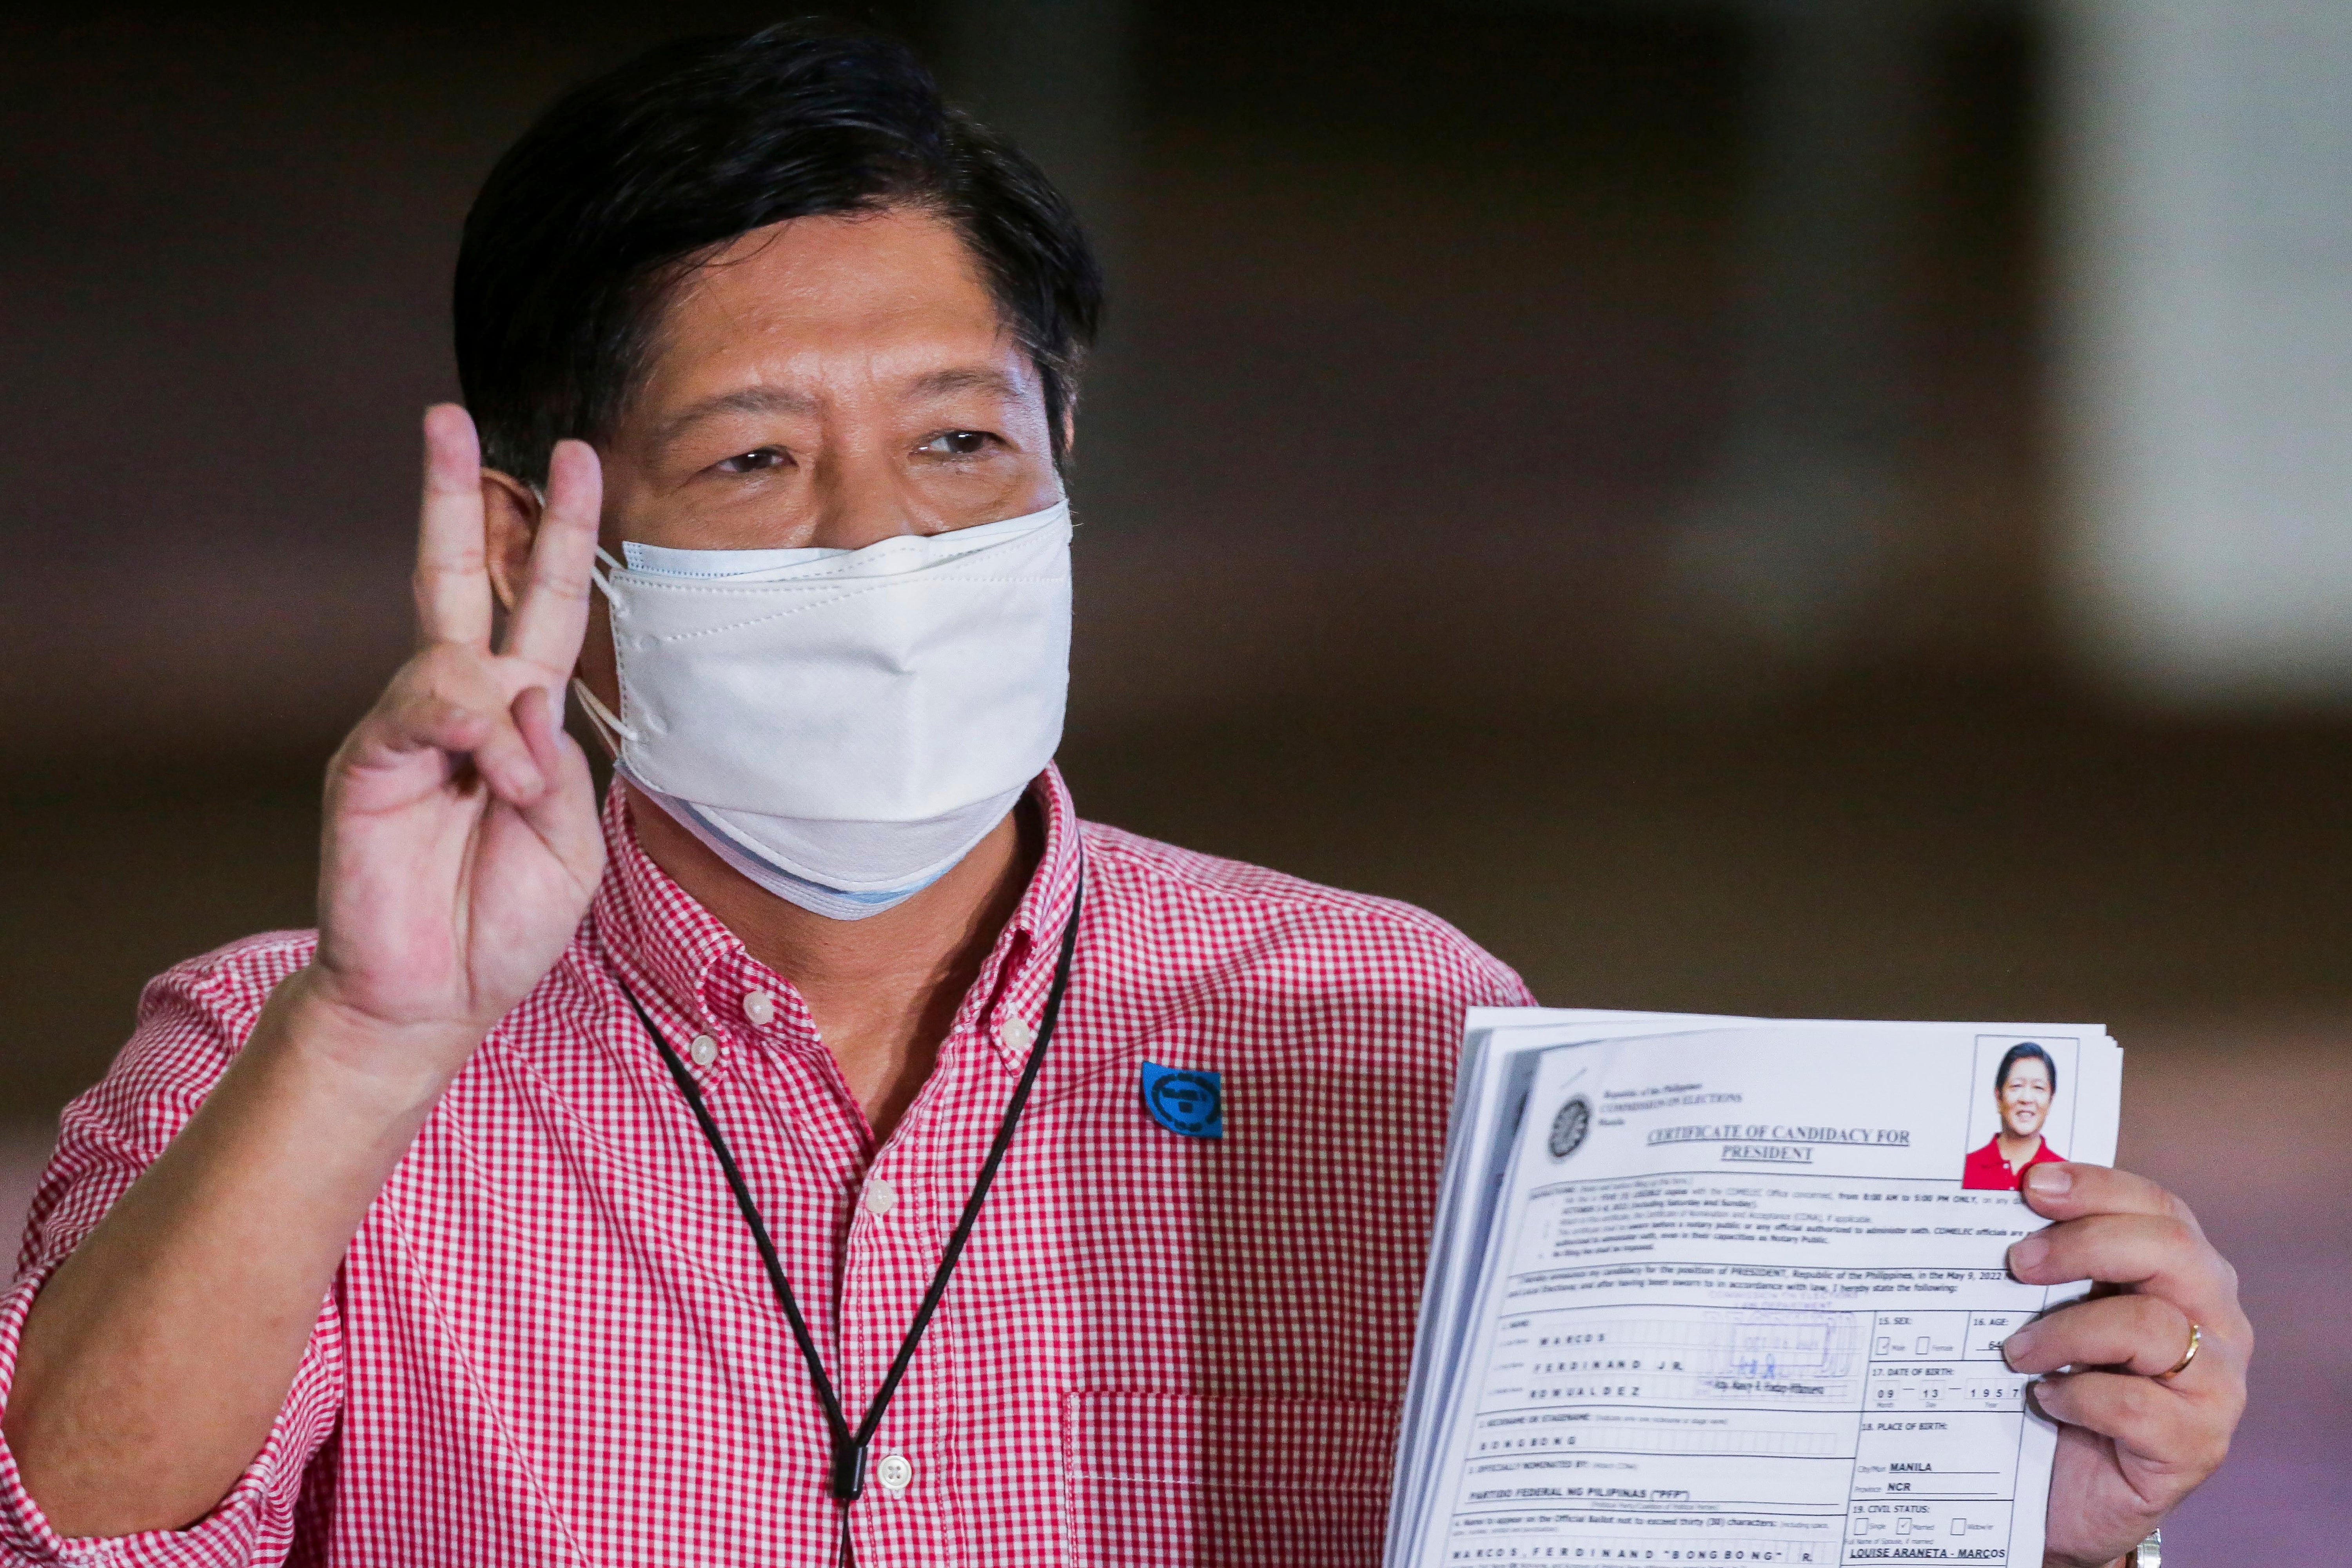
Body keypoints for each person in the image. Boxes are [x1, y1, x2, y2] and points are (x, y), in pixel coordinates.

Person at [0, 23, 2247, 1568]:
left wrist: (2007, 1497)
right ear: (527, 554)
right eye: (757, 461)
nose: (884, 547)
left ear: (1067, 469)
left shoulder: (1391, 1035)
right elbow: (68, 1529)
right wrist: (375, 1042)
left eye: (960, 445)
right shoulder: (282, 1060)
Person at [1965, 1041, 2067, 1191]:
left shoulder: (2065, 1174)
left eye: (2038, 1088)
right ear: (1999, 1097)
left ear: (2051, 1100)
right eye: (2017, 1086)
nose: (2026, 1099)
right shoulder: (1965, 1168)